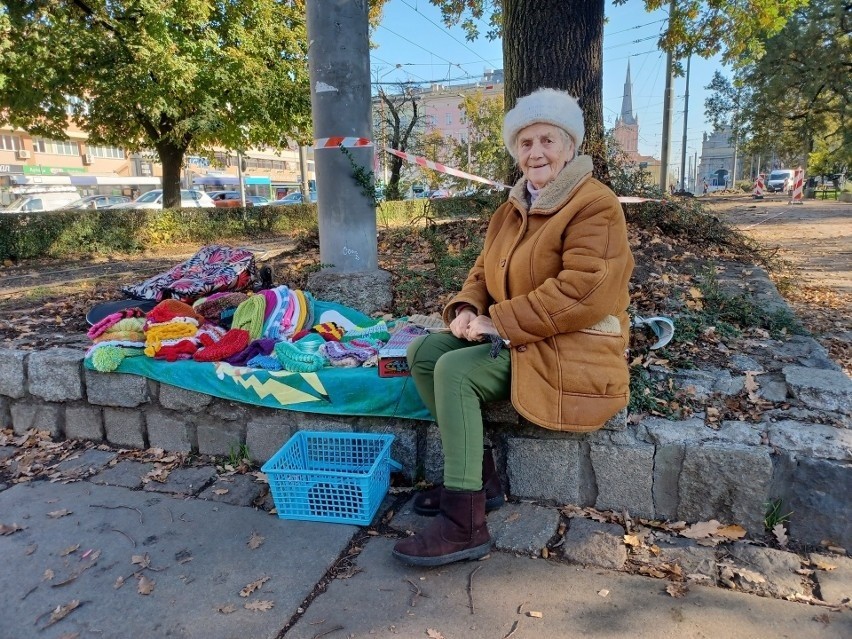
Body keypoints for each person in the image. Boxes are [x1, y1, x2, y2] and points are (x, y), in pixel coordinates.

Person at [393, 89, 635, 567]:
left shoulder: (595, 204)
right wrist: (466, 309)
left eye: (547, 140)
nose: (535, 152)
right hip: (524, 337)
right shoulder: (514, 206)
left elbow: (585, 291)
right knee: (424, 354)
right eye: (525, 143)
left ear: (569, 147)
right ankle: (480, 481)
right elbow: (483, 271)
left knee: (456, 372)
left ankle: (465, 523)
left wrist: (497, 321)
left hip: (571, 347)